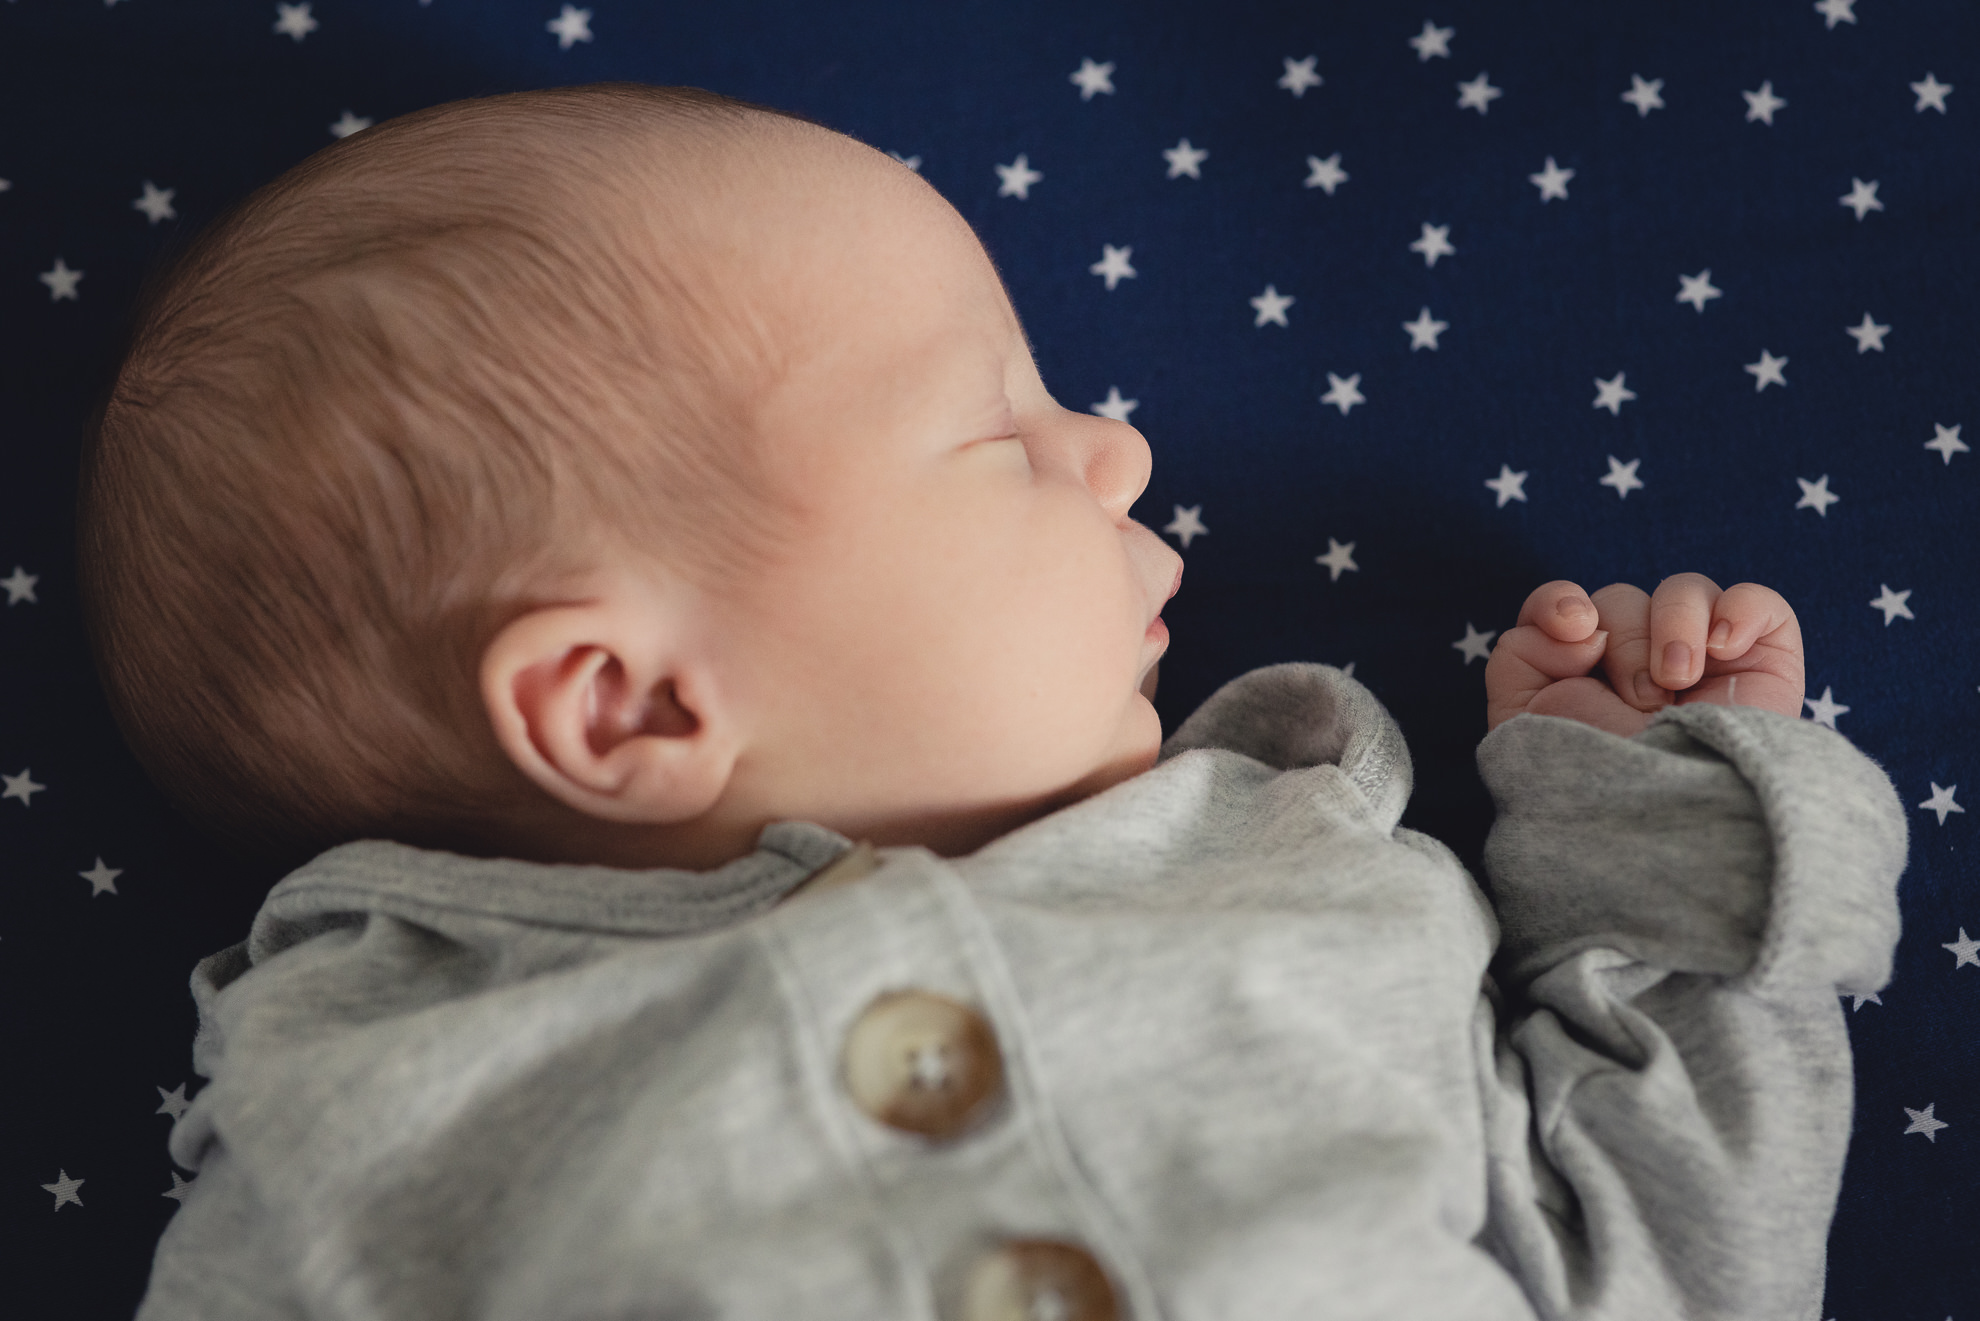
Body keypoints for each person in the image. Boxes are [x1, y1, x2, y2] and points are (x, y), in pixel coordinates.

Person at [80, 83, 1906, 1321]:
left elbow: (1665, 1271)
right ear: (624, 703)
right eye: (1001, 431)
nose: (1116, 445)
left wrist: (1655, 847)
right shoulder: (365, 1102)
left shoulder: (1292, 880)